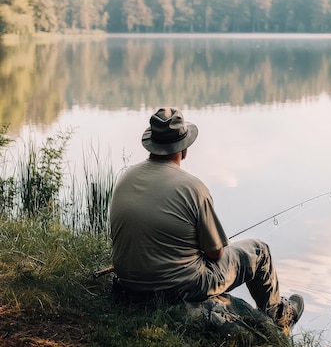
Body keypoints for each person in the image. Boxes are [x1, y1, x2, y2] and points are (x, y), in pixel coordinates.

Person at [109, 107, 304, 333]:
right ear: (185, 148)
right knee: (259, 252)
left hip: (129, 283)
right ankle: (280, 318)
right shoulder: (192, 187)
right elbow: (216, 254)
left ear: (152, 143)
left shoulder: (126, 178)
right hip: (180, 288)